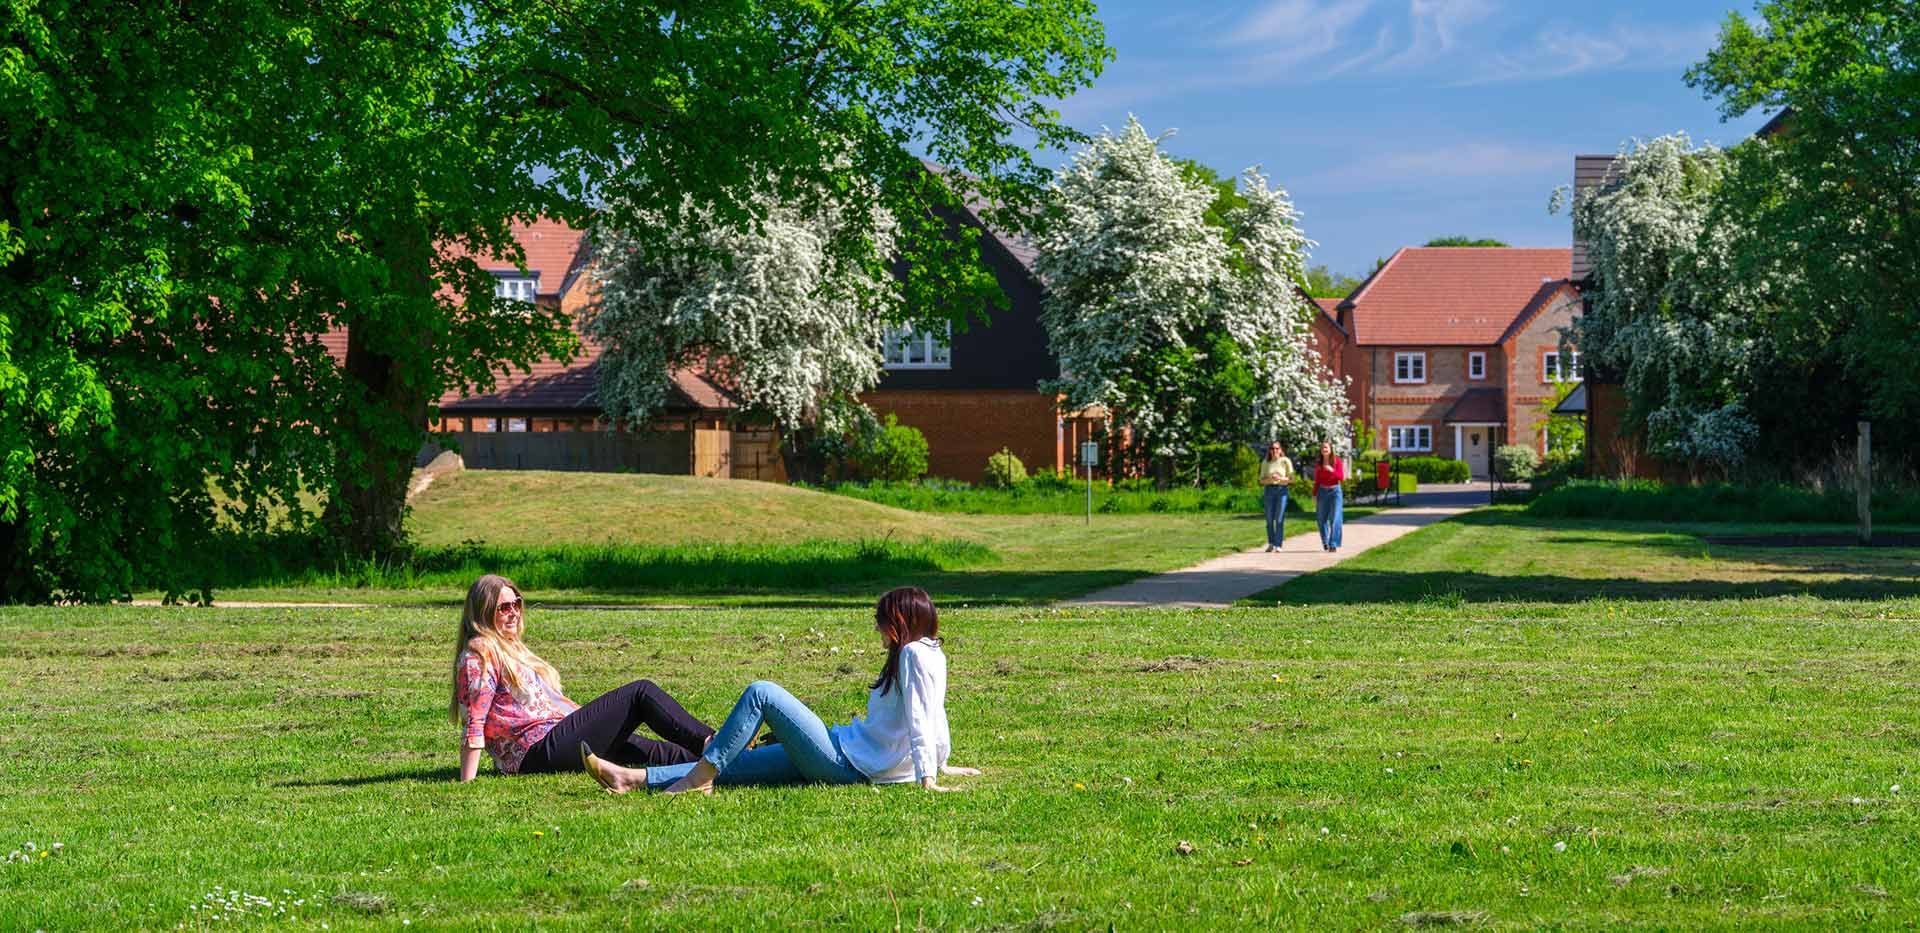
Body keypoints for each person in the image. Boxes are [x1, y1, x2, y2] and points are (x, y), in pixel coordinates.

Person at [579, 586, 983, 795]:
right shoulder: (932, 652)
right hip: (840, 749)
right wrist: (942, 763)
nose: (877, 629)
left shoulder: (912, 654)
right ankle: (630, 779)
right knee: (732, 768)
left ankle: (698, 778)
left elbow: (920, 716)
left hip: (844, 764)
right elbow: (935, 713)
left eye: (880, 620)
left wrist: (929, 776)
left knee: (763, 692)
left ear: (898, 621)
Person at [451, 574, 715, 782]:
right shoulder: (479, 654)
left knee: (659, 754)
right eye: (504, 607)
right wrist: (467, 782)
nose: (514, 612)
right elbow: (474, 720)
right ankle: (714, 742)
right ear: (484, 612)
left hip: (557, 738)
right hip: (538, 751)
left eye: (517, 604)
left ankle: (732, 760)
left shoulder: (511, 648)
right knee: (639, 693)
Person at [1258, 442, 1294, 552]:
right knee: (1269, 519)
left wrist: (1280, 478)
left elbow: (1292, 479)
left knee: (1279, 519)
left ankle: (1278, 544)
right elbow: (1261, 480)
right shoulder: (1265, 462)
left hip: (1281, 490)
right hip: (1269, 490)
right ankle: (1271, 543)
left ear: (1280, 449)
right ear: (1269, 450)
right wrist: (1271, 479)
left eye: (1277, 448)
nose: (1275, 451)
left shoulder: (1285, 461)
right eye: (1272, 449)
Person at [1314, 441, 1345, 552]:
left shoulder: (1337, 461)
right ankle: (1325, 542)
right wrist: (1314, 493)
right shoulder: (1319, 463)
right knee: (1321, 519)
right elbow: (1317, 480)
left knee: (1336, 518)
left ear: (1331, 449)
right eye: (1322, 447)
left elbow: (1341, 477)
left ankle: (1333, 544)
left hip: (1335, 491)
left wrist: (1331, 470)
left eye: (1326, 447)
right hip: (1322, 492)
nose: (1324, 449)